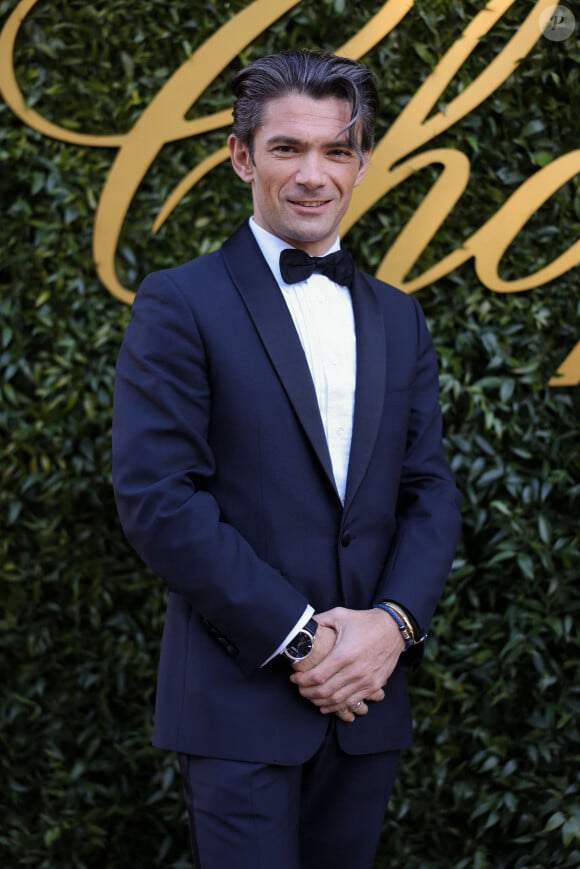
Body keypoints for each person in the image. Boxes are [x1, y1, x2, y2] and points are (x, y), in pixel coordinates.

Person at [112, 48, 462, 869]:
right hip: (241, 710)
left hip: (369, 705)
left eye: (336, 150)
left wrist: (392, 626)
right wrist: (304, 642)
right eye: (286, 148)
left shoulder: (399, 317)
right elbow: (161, 497)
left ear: (363, 160)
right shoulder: (180, 300)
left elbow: (428, 491)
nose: (314, 174)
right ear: (242, 157)